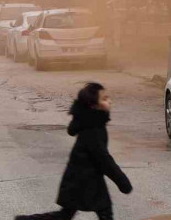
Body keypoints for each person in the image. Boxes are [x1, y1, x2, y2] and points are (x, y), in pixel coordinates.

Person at [15, 83, 132, 220]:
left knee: (66, 215)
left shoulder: (93, 122)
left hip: (82, 178)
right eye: (104, 99)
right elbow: (103, 159)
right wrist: (122, 182)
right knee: (100, 213)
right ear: (93, 105)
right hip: (82, 180)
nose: (109, 101)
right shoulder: (92, 128)